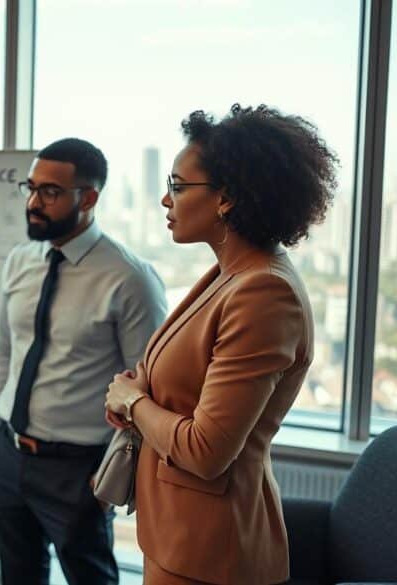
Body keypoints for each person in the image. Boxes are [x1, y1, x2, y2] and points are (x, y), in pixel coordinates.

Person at [104, 104, 334, 584]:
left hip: (210, 553)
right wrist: (140, 395)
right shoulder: (227, 275)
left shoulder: (262, 292)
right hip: (178, 533)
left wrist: (134, 402)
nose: (166, 201)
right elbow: (183, 374)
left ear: (226, 197)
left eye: (178, 187)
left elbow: (207, 450)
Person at [0, 138, 167, 584]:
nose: (33, 202)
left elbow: (150, 386)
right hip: (8, 453)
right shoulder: (20, 260)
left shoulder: (129, 278)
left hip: (78, 469)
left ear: (88, 198)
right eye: (31, 188)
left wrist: (110, 478)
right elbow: (4, 350)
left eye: (49, 192)